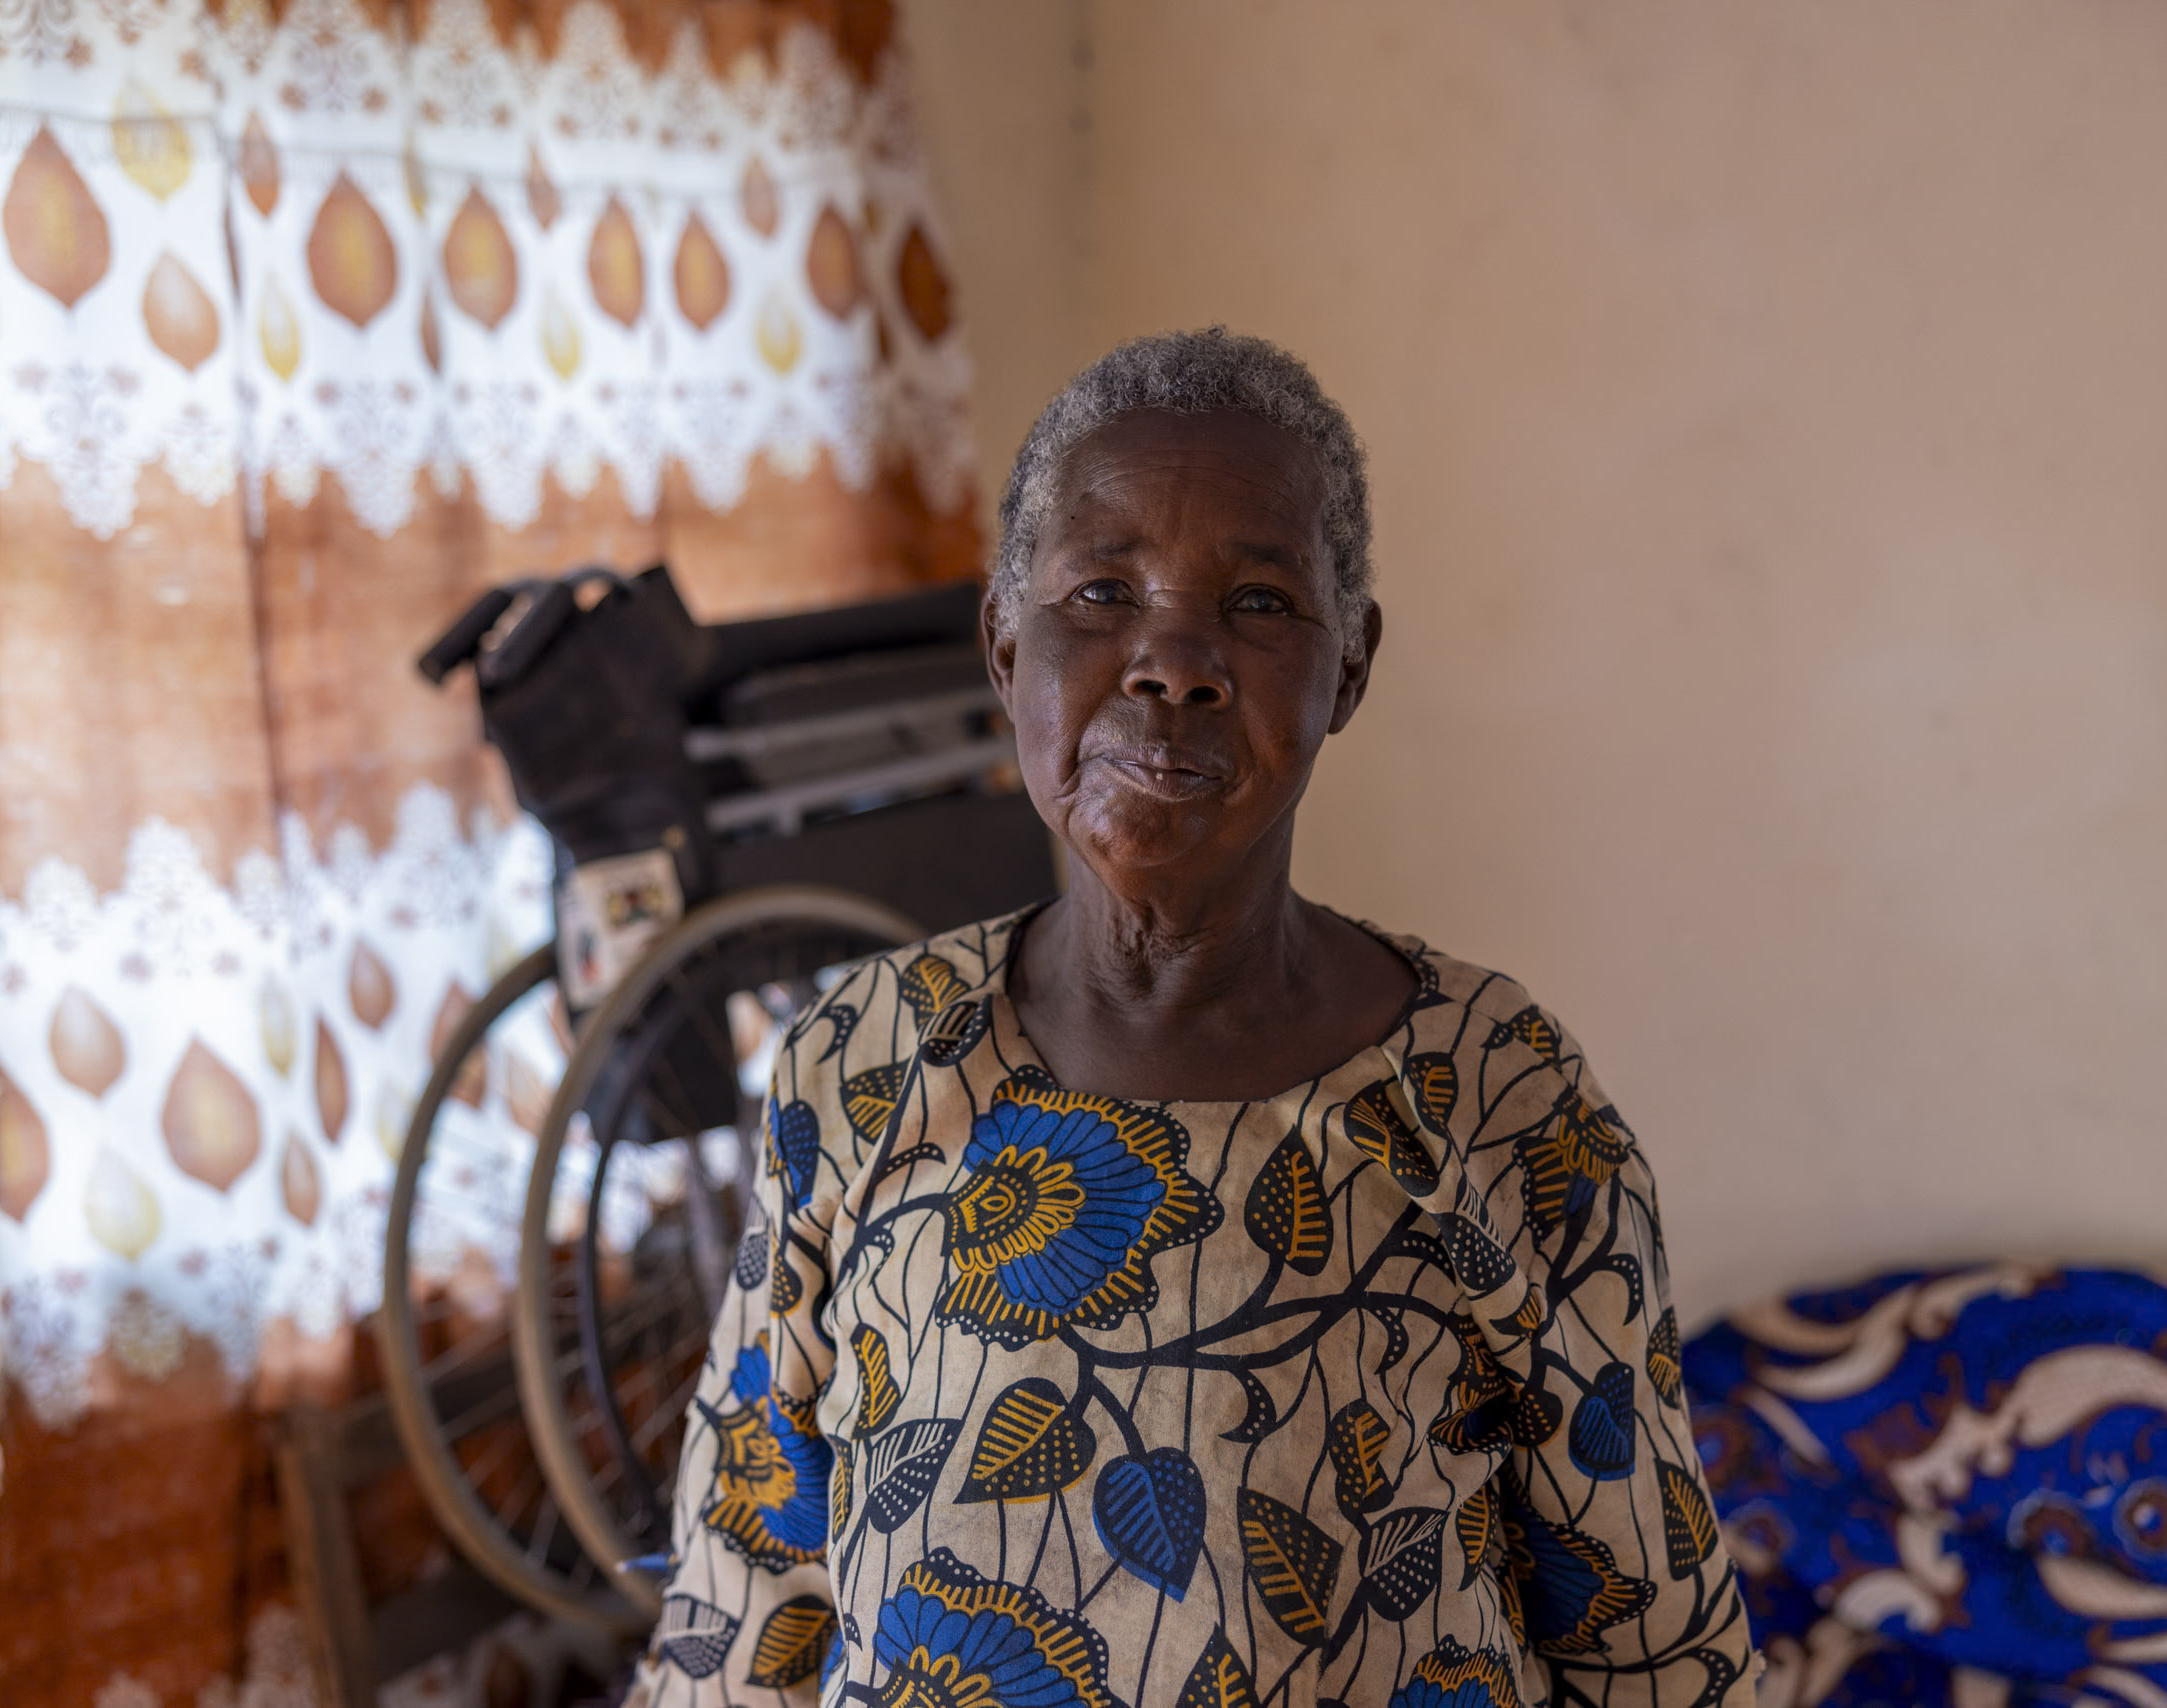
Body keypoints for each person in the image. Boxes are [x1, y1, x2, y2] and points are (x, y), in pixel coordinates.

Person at [625, 330, 1758, 1708]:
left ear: (1349, 669)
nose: (1173, 660)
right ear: (1003, 644)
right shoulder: (861, 1063)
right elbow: (746, 1602)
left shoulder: (1496, 1096)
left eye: (1262, 603)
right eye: (1102, 590)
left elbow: (1653, 1641)